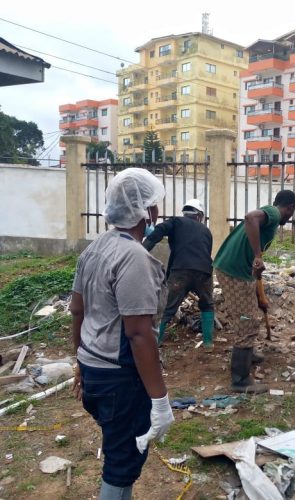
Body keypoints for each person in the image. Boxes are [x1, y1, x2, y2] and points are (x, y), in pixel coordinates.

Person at [70, 168, 174, 500]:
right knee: (121, 464)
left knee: (118, 449)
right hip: (119, 379)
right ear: (147, 211)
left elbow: (77, 310)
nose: (157, 210)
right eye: (155, 204)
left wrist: (79, 364)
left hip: (94, 368)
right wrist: (160, 401)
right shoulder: (134, 257)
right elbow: (139, 333)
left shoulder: (96, 247)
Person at [214, 190, 295, 393]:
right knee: (247, 321)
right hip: (235, 272)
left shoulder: (271, 216)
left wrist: (259, 293)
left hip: (239, 270)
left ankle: (248, 354)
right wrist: (259, 255)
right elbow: (250, 217)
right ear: (290, 208)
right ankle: (240, 379)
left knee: (250, 315)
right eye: (292, 212)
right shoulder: (275, 214)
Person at [143, 199, 214, 350]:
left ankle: (155, 343)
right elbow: (206, 254)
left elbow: (160, 230)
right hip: (204, 272)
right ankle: (208, 343)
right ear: (199, 216)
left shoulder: (176, 222)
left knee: (167, 308)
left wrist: (142, 249)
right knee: (207, 305)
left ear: (185, 212)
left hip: (181, 271)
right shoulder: (206, 231)